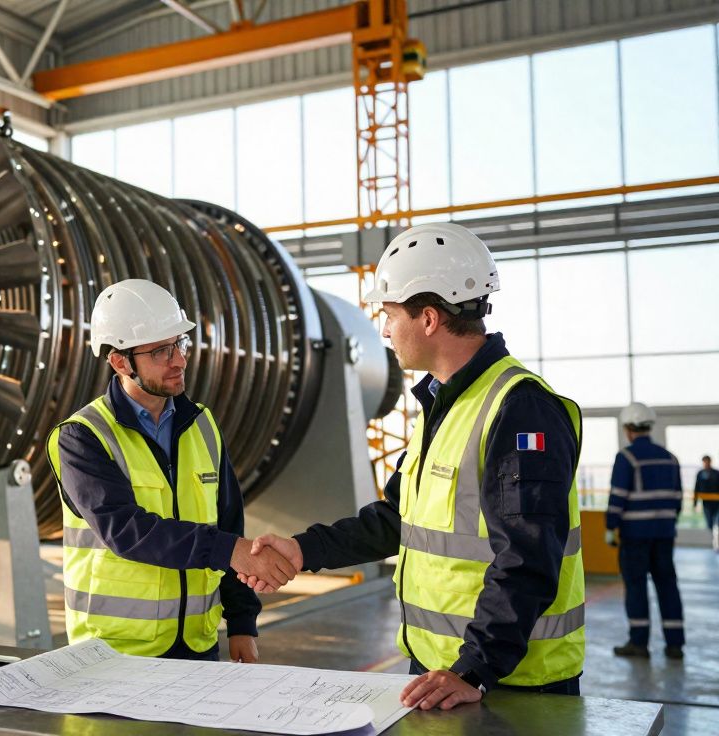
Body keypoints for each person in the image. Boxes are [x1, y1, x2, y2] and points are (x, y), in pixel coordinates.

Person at [240, 223, 585, 709]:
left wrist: (476, 668)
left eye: (389, 313)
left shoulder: (519, 409)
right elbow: (395, 521)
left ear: (427, 318)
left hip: (511, 685)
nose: (383, 329)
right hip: (439, 673)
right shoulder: (442, 406)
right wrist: (302, 550)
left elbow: (528, 556)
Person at [47, 279, 287, 663]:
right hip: (113, 652)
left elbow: (229, 525)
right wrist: (231, 551)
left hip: (197, 644)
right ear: (120, 361)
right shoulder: (82, 437)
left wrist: (242, 623)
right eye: (161, 351)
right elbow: (126, 531)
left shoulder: (203, 425)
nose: (179, 360)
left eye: (181, 344)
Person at [606, 402, 684, 659]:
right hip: (664, 534)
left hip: (635, 536)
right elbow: (678, 499)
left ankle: (639, 644)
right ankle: (675, 645)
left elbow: (618, 497)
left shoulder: (626, 457)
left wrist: (610, 527)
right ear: (649, 426)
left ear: (628, 429)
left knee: (636, 586)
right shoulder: (671, 458)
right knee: (667, 585)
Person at [693, 455, 719, 552]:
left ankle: (716, 545)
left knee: (717, 524)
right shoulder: (700, 474)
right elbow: (696, 488)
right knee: (710, 524)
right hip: (706, 504)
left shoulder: (716, 473)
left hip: (717, 503)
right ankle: (714, 541)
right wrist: (695, 503)